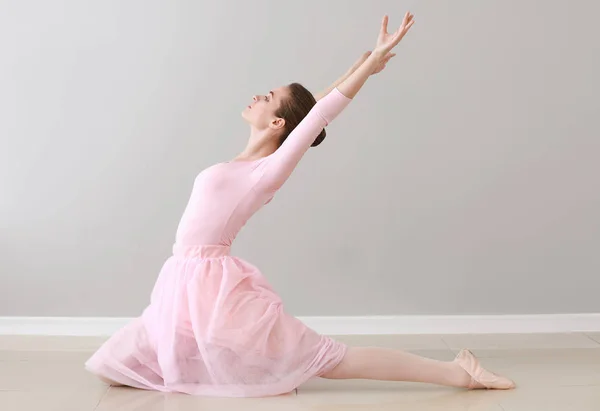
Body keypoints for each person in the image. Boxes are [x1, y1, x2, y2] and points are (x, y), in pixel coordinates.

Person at [85, 12, 515, 397]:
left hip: (213, 287)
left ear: (276, 123)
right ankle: (235, 373)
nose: (257, 96)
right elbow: (306, 114)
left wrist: (366, 68)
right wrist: (354, 68)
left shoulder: (266, 172)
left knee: (331, 360)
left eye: (267, 97)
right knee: (110, 365)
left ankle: (458, 373)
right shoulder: (243, 162)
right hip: (181, 281)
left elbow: (316, 117)